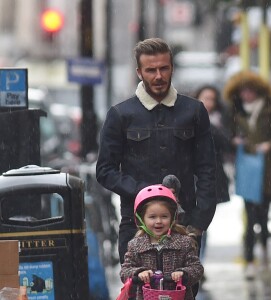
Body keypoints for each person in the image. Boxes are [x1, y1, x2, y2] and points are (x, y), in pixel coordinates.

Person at [96, 38, 217, 265]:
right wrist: (145, 191)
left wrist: (200, 222)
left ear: (172, 68)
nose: (158, 76)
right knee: (139, 290)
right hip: (136, 223)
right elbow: (105, 171)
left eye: (164, 68)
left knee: (183, 290)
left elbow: (208, 168)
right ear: (139, 72)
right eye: (151, 70)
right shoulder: (121, 114)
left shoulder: (194, 111)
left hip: (184, 223)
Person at [223, 71, 271, 280]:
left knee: (263, 215)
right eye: (243, 91)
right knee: (250, 216)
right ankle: (249, 257)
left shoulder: (270, 110)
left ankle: (264, 248)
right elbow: (229, 135)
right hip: (247, 169)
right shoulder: (236, 111)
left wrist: (268, 145)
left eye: (249, 91)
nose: (246, 95)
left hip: (267, 170)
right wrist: (236, 141)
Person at [120, 184, 203, 300]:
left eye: (164, 216)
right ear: (141, 218)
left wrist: (183, 273)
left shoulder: (184, 242)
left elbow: (197, 268)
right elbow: (124, 271)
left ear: (173, 218)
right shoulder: (135, 245)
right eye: (152, 217)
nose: (158, 221)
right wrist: (138, 273)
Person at [194, 85, 232, 286]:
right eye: (205, 98)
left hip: (211, 180)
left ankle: (199, 264)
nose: (208, 103)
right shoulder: (189, 119)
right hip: (191, 179)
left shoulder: (217, 123)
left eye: (212, 99)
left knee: (203, 225)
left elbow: (228, 143)